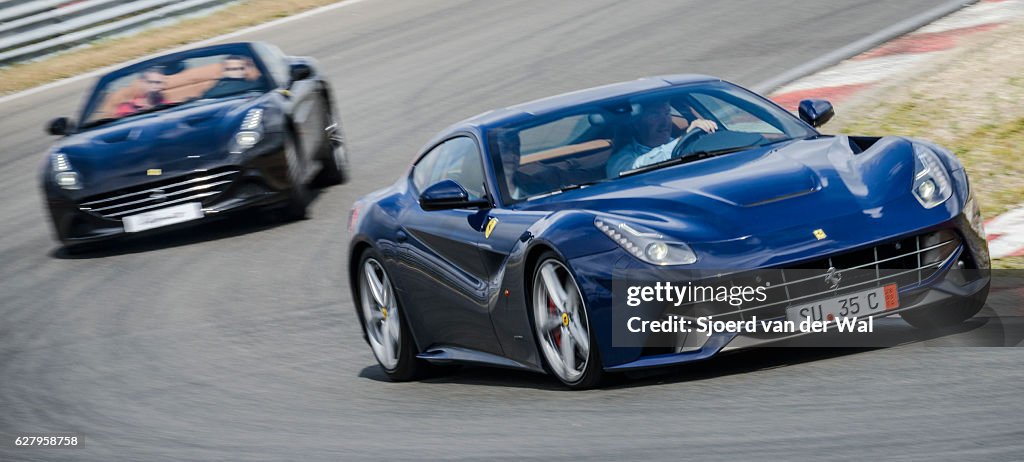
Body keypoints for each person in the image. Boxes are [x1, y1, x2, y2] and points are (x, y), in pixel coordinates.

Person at [605, 99, 718, 177]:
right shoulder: (620, 160)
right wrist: (682, 139)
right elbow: (642, 165)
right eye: (655, 115)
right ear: (637, 123)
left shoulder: (686, 141)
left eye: (667, 113)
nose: (665, 122)